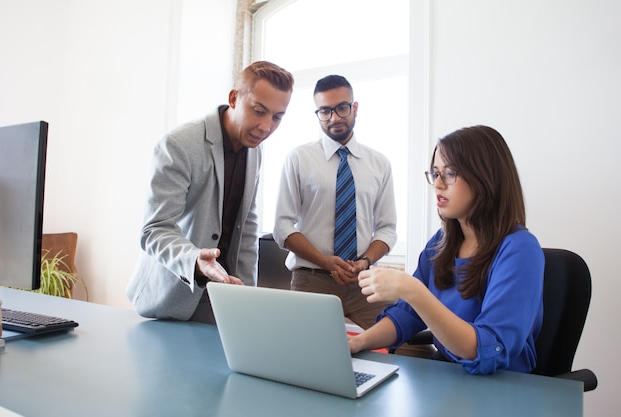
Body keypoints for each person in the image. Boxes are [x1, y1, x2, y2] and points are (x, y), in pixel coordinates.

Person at [348, 125, 544, 374]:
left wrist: (412, 290)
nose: (438, 185)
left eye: (450, 174)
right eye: (435, 173)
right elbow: (407, 315)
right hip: (451, 379)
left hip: (502, 388)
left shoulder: (520, 250)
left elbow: (488, 350)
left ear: (486, 178)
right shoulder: (442, 242)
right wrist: (358, 342)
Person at [126, 61, 294, 322]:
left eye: (277, 117)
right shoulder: (178, 144)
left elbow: (247, 225)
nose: (265, 127)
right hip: (174, 294)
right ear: (234, 98)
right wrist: (195, 260)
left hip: (224, 297)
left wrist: (248, 296)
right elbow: (154, 230)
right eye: (259, 111)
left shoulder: (256, 151)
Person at [273, 74, 397, 331]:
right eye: (325, 111)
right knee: (308, 355)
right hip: (313, 278)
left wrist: (364, 262)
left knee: (401, 342)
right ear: (317, 113)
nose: (335, 118)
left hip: (363, 279)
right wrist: (325, 261)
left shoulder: (379, 164)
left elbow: (387, 228)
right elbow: (282, 226)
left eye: (342, 108)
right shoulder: (299, 158)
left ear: (355, 108)